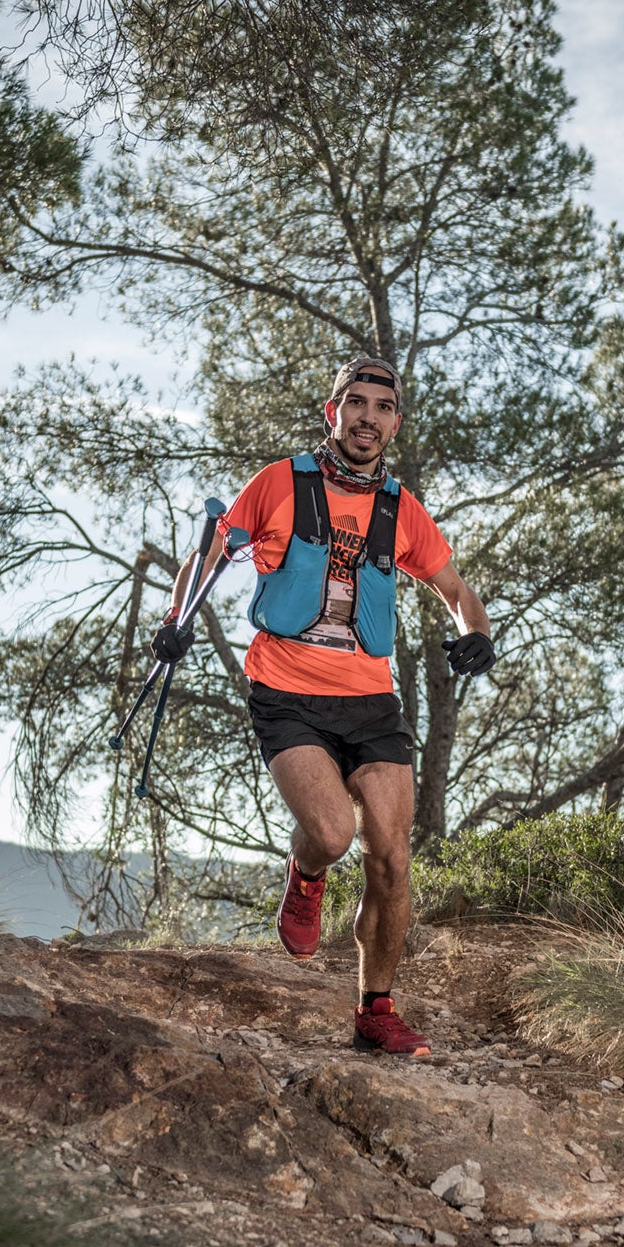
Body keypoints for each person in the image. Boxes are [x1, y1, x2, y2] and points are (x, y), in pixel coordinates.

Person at [150, 356, 494, 1058]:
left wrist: (477, 634)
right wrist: (177, 616)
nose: (368, 417)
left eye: (382, 407)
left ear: (395, 423)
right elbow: (211, 552)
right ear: (330, 412)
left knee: (393, 858)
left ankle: (376, 1009)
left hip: (372, 699)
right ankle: (306, 874)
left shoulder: (401, 507)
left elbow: (455, 587)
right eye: (355, 403)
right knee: (334, 833)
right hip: (288, 692)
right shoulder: (281, 482)